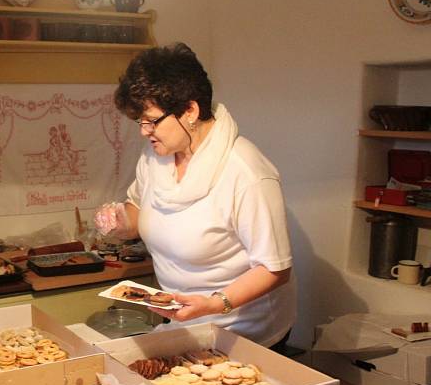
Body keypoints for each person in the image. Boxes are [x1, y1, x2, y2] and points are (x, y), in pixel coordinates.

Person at [94, 43, 296, 349]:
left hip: (245, 330)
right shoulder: (156, 157)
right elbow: (138, 211)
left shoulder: (247, 173)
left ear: (190, 110)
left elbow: (274, 269)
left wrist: (214, 304)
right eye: (140, 122)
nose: (144, 132)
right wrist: (122, 222)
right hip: (185, 320)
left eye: (151, 120)